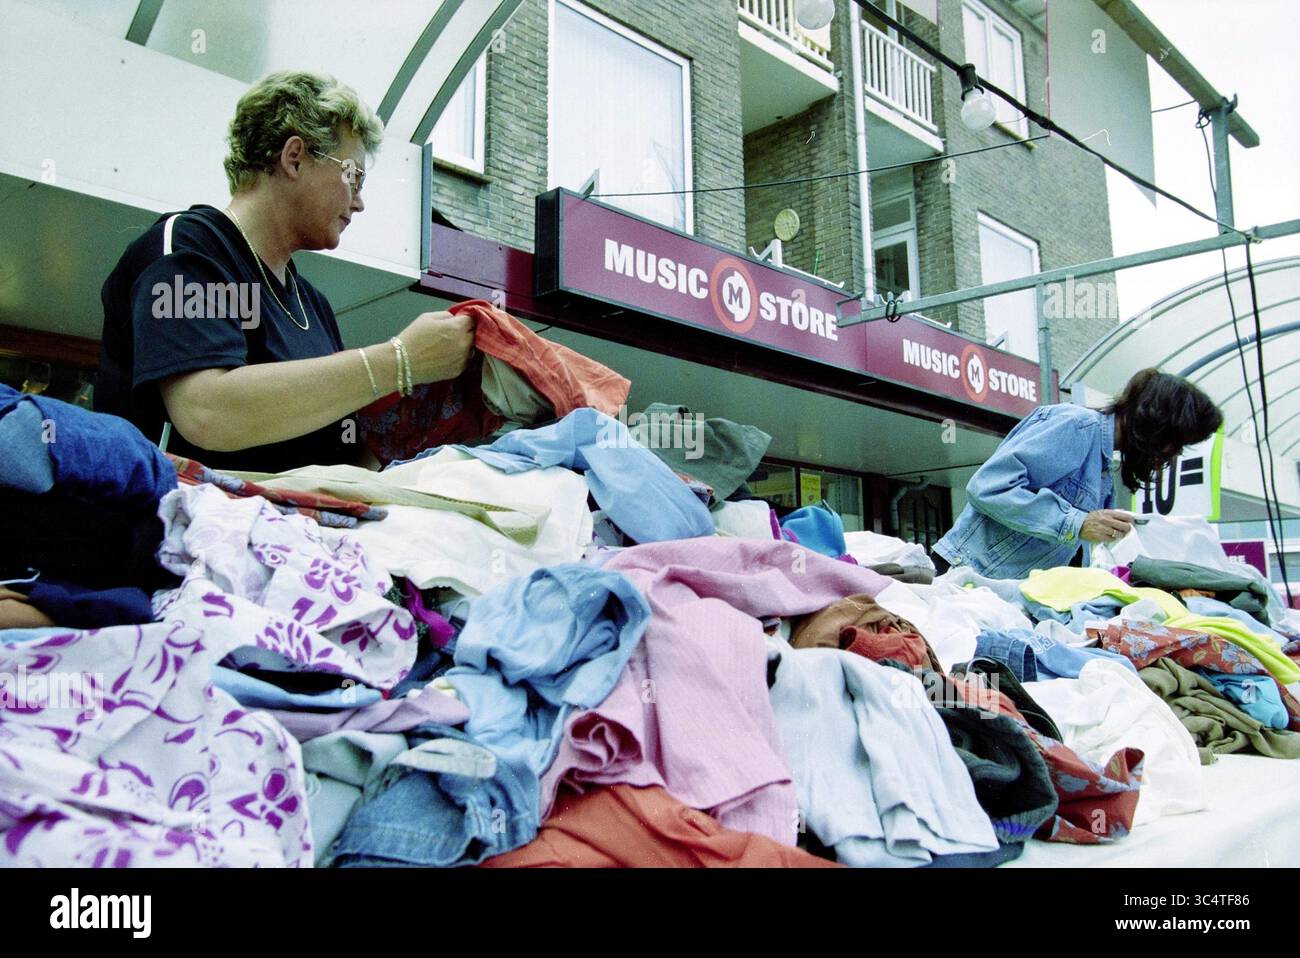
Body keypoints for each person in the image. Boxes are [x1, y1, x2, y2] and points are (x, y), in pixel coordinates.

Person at [95, 70, 474, 473]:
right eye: (353, 177)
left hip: (286, 515)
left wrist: (423, 407)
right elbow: (206, 412)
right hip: (170, 510)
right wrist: (399, 361)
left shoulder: (314, 305)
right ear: (295, 157)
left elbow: (343, 459)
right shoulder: (190, 247)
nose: (359, 202)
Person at [931, 368, 1223, 579]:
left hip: (999, 592)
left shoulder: (1103, 468)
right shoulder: (1076, 426)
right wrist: (1078, 523)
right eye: (1176, 442)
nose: (1173, 455)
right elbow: (989, 487)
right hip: (962, 577)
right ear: (1156, 425)